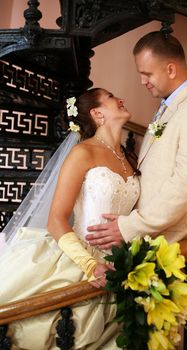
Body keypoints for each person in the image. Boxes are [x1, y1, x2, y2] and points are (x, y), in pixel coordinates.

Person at [86, 32, 187, 349]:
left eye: (146, 73)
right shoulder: (168, 108)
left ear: (170, 69)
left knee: (179, 341)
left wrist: (128, 226)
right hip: (152, 247)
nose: (142, 81)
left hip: (178, 251)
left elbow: (185, 187)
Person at [0, 88, 140, 350]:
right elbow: (56, 219)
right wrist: (89, 265)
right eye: (111, 97)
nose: (121, 98)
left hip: (122, 262)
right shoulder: (82, 153)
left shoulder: (129, 157)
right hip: (81, 257)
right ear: (97, 113)